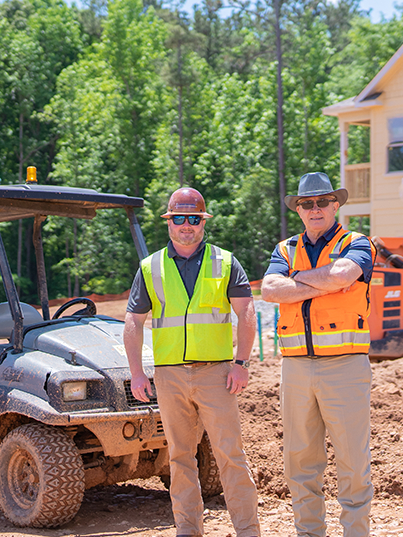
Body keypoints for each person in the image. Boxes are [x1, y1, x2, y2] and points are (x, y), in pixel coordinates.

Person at [123, 187, 261, 537]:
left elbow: (246, 311)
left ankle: (248, 531)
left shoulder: (225, 261)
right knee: (180, 458)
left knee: (230, 455)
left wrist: (241, 363)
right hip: (169, 377)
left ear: (203, 222)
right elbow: (134, 322)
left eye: (194, 219)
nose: (187, 226)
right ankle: (188, 530)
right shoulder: (150, 266)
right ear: (169, 222)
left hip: (217, 374)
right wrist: (137, 373)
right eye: (180, 218)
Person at [261, 172, 376, 537]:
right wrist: (322, 284)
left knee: (352, 462)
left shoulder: (357, 242)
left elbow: (343, 274)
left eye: (323, 202)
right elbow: (269, 289)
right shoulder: (285, 249)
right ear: (298, 209)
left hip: (345, 366)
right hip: (295, 368)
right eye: (307, 203)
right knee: (300, 461)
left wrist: (297, 282)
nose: (315, 209)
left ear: (336, 205)